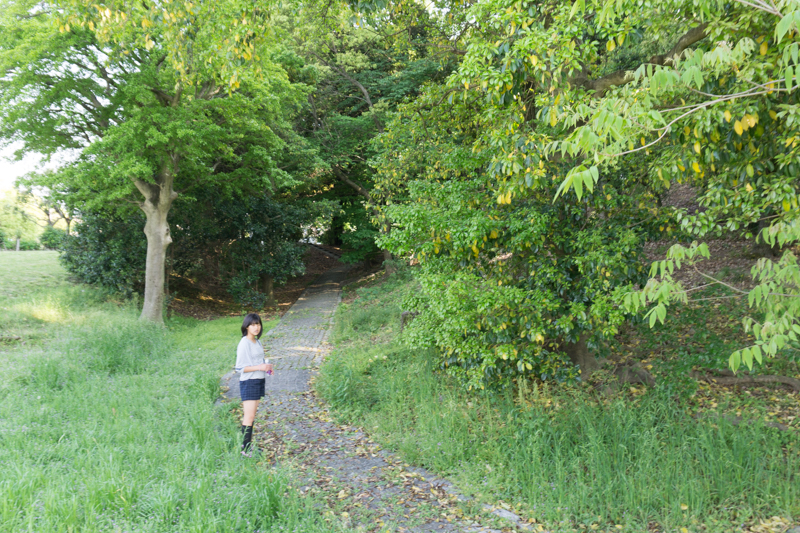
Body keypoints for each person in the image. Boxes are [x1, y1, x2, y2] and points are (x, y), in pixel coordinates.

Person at [235, 312, 273, 453]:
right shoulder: (244, 343)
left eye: (258, 324)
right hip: (249, 382)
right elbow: (239, 368)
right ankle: (245, 450)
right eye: (252, 325)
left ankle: (248, 446)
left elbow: (259, 361)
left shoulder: (257, 342)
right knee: (249, 416)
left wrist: (267, 367)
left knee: (252, 416)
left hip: (258, 380)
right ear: (246, 326)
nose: (256, 327)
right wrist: (259, 367)